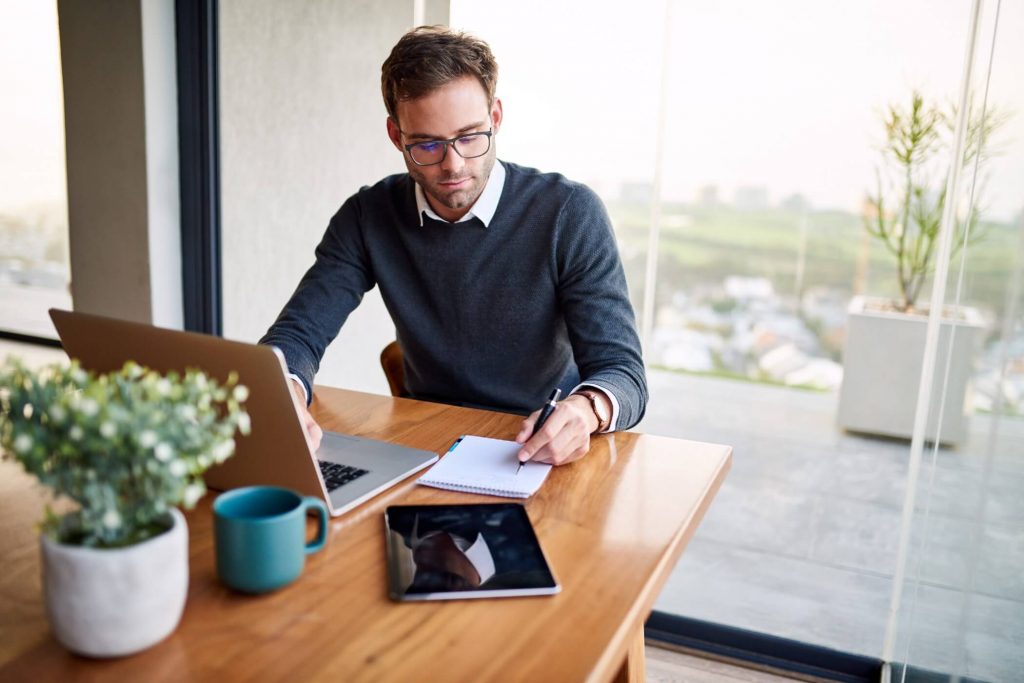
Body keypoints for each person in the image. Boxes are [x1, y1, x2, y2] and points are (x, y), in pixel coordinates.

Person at [260, 26, 646, 466]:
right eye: (427, 144)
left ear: (496, 118)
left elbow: (624, 372)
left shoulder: (569, 213)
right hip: (429, 441)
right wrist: (284, 389)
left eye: (470, 136)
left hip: (537, 446)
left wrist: (585, 409)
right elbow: (299, 332)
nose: (454, 164)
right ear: (395, 135)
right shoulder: (368, 215)